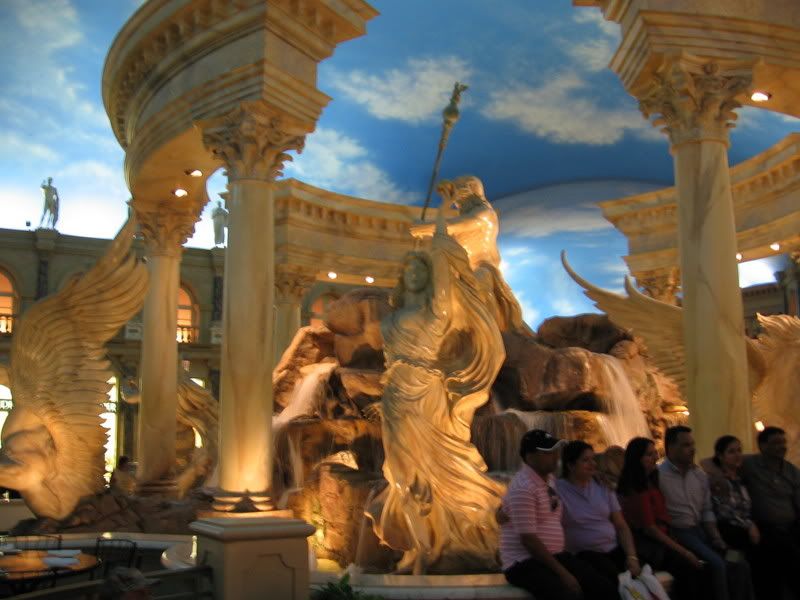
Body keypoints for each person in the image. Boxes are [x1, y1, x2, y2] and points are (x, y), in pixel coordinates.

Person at [366, 212, 505, 574]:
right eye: (409, 270)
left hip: (427, 392)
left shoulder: (436, 311)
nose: (414, 274)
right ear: (402, 277)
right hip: (395, 396)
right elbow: (389, 364)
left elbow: (443, 286)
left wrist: (440, 243)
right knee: (402, 471)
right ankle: (419, 544)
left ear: (428, 277)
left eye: (420, 270)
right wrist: (382, 397)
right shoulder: (390, 319)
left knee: (434, 468)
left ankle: (438, 543)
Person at [500, 429, 619, 600]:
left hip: (553, 556)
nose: (555, 456)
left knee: (603, 587)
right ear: (529, 456)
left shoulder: (549, 480)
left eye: (555, 451)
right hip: (523, 562)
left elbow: (573, 480)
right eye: (547, 452)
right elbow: (529, 541)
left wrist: (595, 475)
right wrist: (564, 573)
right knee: (566, 593)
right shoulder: (523, 488)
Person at [659, 426, 753, 600]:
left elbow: (707, 509)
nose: (692, 449)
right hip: (680, 533)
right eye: (686, 445)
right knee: (717, 564)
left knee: (739, 561)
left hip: (703, 531)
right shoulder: (659, 476)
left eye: (692, 444)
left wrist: (716, 537)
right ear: (671, 448)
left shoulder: (699, 475)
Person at [617, 437, 703, 600]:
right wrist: (684, 552)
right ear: (637, 459)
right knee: (689, 567)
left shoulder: (651, 481)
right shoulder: (637, 490)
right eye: (649, 455)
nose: (655, 458)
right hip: (652, 546)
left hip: (664, 537)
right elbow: (651, 529)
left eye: (655, 453)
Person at [556, 441, 641, 586]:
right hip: (584, 554)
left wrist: (632, 556)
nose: (593, 464)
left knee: (642, 574)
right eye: (585, 460)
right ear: (570, 465)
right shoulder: (557, 489)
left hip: (612, 548)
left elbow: (621, 525)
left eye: (593, 459)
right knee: (616, 580)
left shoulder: (603, 485)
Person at [741, 426, 800, 599]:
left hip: (790, 528)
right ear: (762, 446)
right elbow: (709, 462)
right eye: (776, 443)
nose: (782, 447)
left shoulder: (792, 471)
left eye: (783, 442)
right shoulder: (749, 464)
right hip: (763, 529)